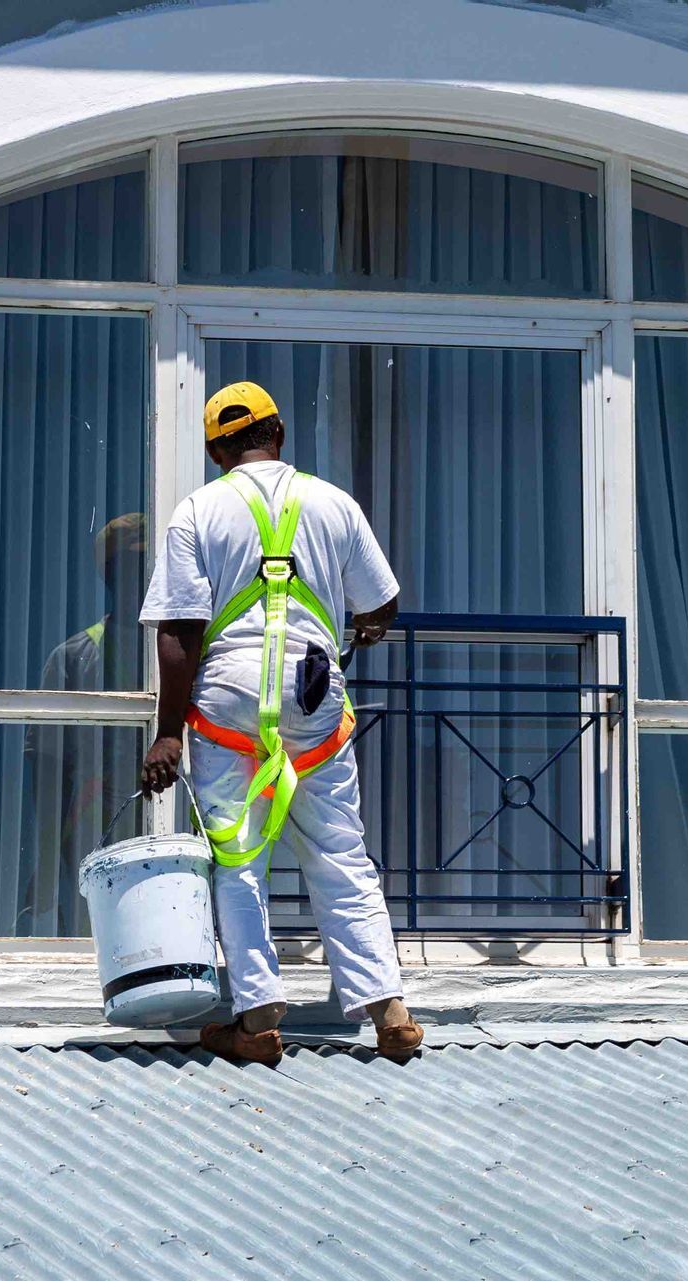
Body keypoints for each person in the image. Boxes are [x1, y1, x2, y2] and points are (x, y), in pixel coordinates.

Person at [138, 380, 422, 1065]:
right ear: (280, 434)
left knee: (238, 860)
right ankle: (389, 1009)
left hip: (230, 698)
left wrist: (170, 730)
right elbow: (381, 603)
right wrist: (362, 625)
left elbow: (180, 631)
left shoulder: (198, 510)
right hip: (314, 690)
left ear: (215, 449)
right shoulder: (334, 504)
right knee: (339, 851)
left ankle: (259, 1017)